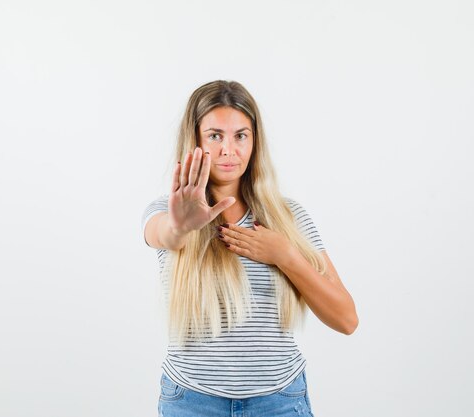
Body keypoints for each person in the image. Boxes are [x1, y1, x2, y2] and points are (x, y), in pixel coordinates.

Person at [141, 80, 358, 417]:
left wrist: (285, 255)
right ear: (195, 141)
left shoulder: (289, 218)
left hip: (280, 402)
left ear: (255, 142)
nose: (229, 149)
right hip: (193, 402)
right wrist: (181, 226)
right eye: (215, 136)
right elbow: (165, 235)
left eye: (240, 135)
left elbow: (346, 319)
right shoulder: (166, 212)